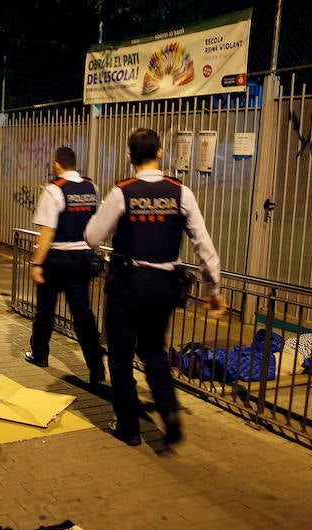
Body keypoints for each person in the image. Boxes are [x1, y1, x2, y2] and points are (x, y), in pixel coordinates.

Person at [84, 127, 226, 447]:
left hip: (128, 282)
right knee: (153, 351)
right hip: (164, 284)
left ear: (129, 157)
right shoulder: (181, 192)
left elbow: (93, 237)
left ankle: (129, 427)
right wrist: (213, 289)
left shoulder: (123, 191)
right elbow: (203, 245)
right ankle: (169, 409)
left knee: (120, 356)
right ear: (160, 153)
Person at [24, 146, 104, 384]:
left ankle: (39, 355)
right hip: (82, 260)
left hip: (57, 260)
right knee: (83, 315)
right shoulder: (92, 187)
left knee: (45, 310)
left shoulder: (53, 189)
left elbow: (47, 232)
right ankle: (96, 368)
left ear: (57, 164)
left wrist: (36, 263)